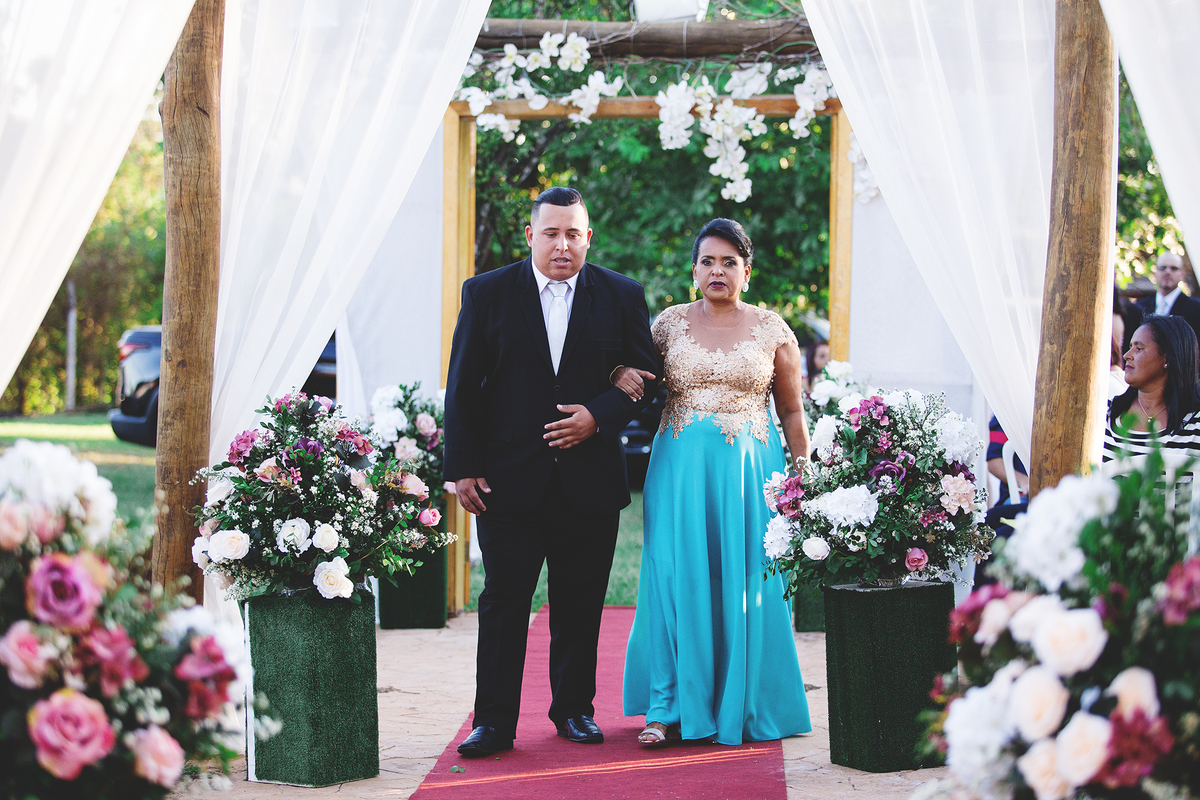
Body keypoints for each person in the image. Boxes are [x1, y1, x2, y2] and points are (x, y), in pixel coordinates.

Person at [443, 187, 657, 757]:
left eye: (573, 235)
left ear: (589, 238)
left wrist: (597, 415)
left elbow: (646, 378)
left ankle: (574, 710)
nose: (563, 245)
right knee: (503, 603)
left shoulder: (622, 294)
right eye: (551, 234)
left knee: (580, 603)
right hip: (507, 482)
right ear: (531, 236)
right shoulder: (486, 293)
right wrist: (462, 468)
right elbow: (463, 386)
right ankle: (492, 722)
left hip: (589, 482)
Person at [614, 218, 812, 747]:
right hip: (679, 472)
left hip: (751, 476)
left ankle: (740, 702)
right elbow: (631, 375)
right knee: (673, 577)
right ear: (694, 270)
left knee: (746, 579)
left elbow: (792, 411)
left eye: (729, 262)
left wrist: (804, 474)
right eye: (708, 261)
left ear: (747, 271)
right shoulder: (668, 325)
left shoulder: (773, 330)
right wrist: (614, 374)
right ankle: (666, 706)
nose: (717, 271)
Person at [1103, 314, 1200, 461]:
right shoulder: (1105, 412)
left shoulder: (1195, 424)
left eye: (1139, 348)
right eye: (1130, 347)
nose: (1127, 355)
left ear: (1167, 358)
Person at [1136, 252, 1200, 344]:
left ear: (1182, 274)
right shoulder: (1140, 306)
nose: (1168, 272)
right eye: (1163, 268)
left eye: (1174, 268)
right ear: (1155, 273)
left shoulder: (1196, 309)